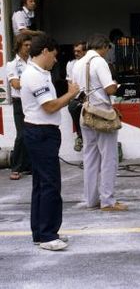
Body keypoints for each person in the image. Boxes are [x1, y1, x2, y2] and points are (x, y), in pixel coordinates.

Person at [20, 34, 80, 250]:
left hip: (40, 132)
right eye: (54, 56)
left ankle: (41, 231)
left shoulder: (40, 73)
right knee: (50, 184)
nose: (56, 60)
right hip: (41, 133)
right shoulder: (34, 75)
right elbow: (50, 106)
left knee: (41, 184)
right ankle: (47, 235)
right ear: (44, 51)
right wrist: (71, 94)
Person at [72, 34, 126, 211]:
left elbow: (74, 90)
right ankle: (108, 201)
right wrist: (117, 84)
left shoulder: (77, 63)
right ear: (104, 47)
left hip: (85, 112)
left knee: (90, 157)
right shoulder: (99, 62)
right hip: (102, 112)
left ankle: (91, 199)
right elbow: (109, 88)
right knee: (109, 157)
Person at [6, 34, 32, 180]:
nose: (28, 48)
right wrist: (32, 81)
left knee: (31, 134)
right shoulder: (12, 64)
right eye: (25, 45)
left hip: (32, 101)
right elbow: (15, 84)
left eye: (30, 45)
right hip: (19, 102)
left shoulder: (33, 61)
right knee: (21, 135)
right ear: (19, 46)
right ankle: (15, 167)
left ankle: (28, 166)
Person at [67, 41, 87, 152]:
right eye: (74, 51)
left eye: (78, 51)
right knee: (72, 107)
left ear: (85, 51)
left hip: (91, 95)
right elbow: (69, 83)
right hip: (77, 96)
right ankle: (80, 136)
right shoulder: (71, 64)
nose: (76, 53)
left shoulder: (91, 63)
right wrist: (69, 98)